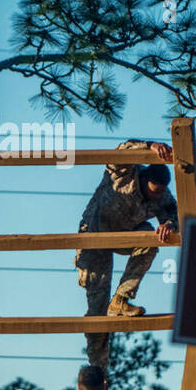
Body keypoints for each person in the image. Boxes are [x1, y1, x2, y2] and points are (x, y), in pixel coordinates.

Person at [75, 138, 178, 370]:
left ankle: (121, 299)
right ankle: (97, 373)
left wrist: (170, 224)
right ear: (143, 178)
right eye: (151, 192)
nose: (155, 197)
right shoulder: (124, 172)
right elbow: (122, 149)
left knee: (151, 239)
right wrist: (150, 145)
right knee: (97, 311)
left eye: (159, 195)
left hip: (125, 235)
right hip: (95, 234)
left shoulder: (162, 196)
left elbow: (175, 214)